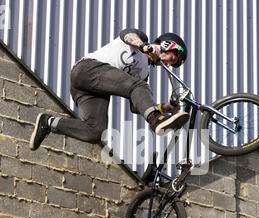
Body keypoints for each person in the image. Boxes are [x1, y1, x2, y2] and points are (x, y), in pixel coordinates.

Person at [29, 28, 190, 151]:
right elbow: (126, 35)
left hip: (90, 90)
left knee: (96, 132)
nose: (168, 64)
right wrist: (144, 46)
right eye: (172, 59)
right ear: (168, 45)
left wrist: (163, 107)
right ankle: (156, 120)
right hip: (87, 68)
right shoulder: (141, 39)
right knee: (140, 86)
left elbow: (135, 106)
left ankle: (48, 122)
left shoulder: (144, 73)